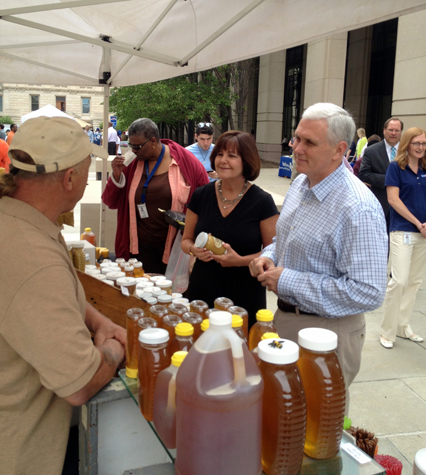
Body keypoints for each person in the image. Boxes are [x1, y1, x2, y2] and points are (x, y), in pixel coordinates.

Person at [0, 116, 126, 474]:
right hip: (23, 451)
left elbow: (45, 293)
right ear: (70, 178)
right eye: (87, 170)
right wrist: (115, 346)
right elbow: (80, 383)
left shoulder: (17, 218)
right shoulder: (33, 258)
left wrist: (97, 320)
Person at [249, 103, 388, 389]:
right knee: (282, 407)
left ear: (339, 150)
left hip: (328, 332)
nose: (296, 148)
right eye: (296, 138)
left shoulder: (358, 207)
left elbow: (368, 291)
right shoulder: (301, 183)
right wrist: (269, 256)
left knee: (316, 414)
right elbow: (284, 239)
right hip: (286, 318)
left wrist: (287, 280)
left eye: (309, 142)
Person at [181, 131, 279, 328]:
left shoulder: (262, 201)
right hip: (203, 288)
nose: (223, 160)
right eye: (220, 154)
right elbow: (186, 240)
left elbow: (274, 252)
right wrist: (194, 250)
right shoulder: (201, 195)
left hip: (244, 292)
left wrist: (239, 261)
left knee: (241, 344)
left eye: (232, 155)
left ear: (247, 161)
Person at [102, 118, 209, 272]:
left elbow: (205, 203)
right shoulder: (132, 163)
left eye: (137, 146)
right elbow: (110, 201)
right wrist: (116, 176)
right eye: (131, 146)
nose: (133, 151)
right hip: (138, 251)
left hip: (174, 250)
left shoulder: (186, 162)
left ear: (153, 141)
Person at [379, 127, 426, 349]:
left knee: (414, 281)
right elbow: (393, 200)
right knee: (399, 281)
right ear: (407, 144)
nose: (420, 147)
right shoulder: (396, 167)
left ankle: (402, 326)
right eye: (416, 143)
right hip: (403, 231)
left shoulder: (425, 168)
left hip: (423, 234)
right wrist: (417, 222)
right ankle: (387, 331)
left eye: (423, 143)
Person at [358, 118, 403, 232]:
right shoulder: (371, 151)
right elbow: (363, 174)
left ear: (401, 132)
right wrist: (390, 181)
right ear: (384, 130)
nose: (393, 133)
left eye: (397, 130)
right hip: (380, 204)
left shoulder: (407, 151)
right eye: (390, 130)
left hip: (404, 204)